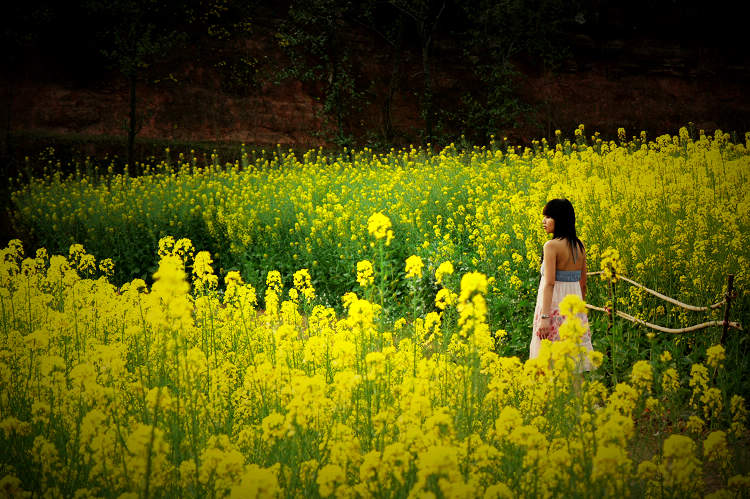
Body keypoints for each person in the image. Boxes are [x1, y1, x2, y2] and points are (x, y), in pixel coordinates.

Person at [529, 198, 594, 369]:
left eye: (549, 217)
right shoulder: (579, 246)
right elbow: (583, 285)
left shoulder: (551, 246)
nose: (544, 221)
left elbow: (549, 283)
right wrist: (580, 315)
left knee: (548, 362)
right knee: (572, 362)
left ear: (561, 219)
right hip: (573, 312)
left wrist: (544, 318)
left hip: (552, 309)